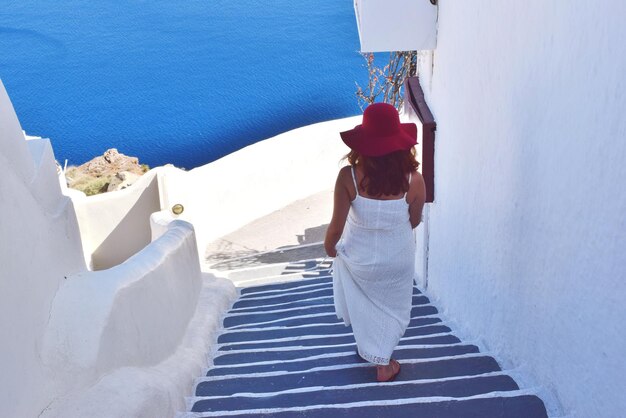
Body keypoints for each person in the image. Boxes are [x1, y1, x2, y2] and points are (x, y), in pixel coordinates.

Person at [324, 102, 426, 382]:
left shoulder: (348, 177)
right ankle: (383, 359)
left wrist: (330, 248)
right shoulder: (414, 180)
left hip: (360, 258)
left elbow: (336, 227)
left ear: (363, 143)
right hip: (398, 258)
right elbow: (413, 220)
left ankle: (377, 356)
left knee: (365, 301)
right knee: (392, 309)